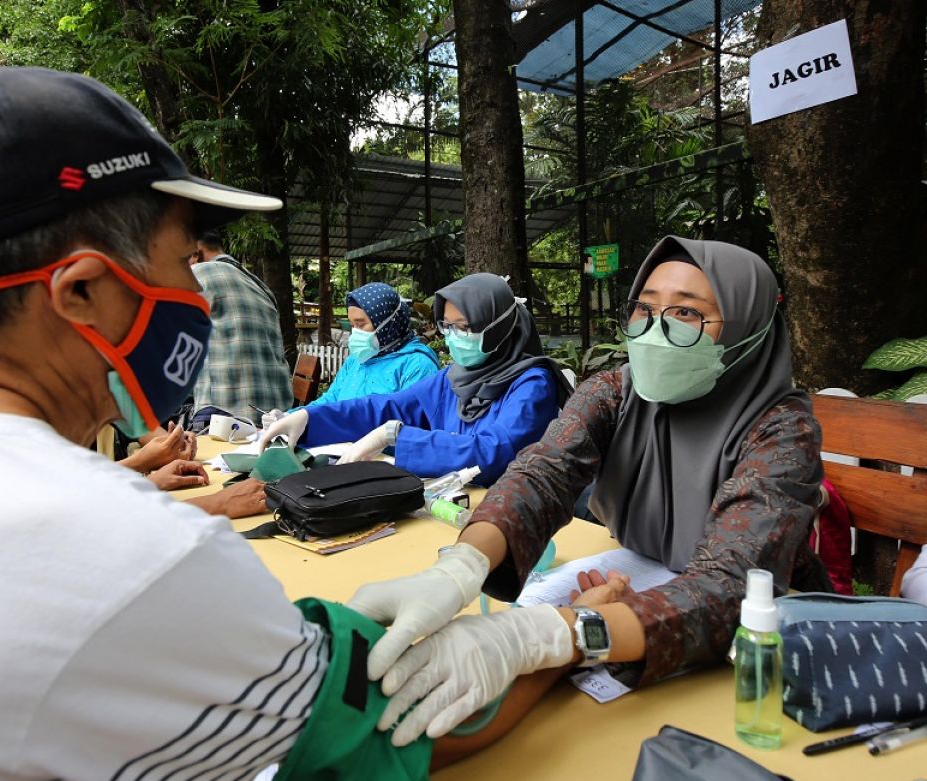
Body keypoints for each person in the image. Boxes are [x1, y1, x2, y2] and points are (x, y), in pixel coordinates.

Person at [0, 66, 435, 781]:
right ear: (81, 291)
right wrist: (539, 638)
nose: (202, 303)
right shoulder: (118, 545)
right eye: (186, 264)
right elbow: (361, 738)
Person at [343, 237, 834, 747]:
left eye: (686, 314)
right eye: (644, 308)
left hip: (763, 659)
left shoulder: (782, 430)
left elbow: (733, 585)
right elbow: (542, 473)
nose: (655, 330)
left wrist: (551, 635)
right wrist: (459, 567)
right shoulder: (617, 392)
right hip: (644, 588)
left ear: (747, 329)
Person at [259, 273, 572, 486]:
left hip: (509, 515)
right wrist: (308, 417)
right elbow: (387, 407)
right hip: (453, 503)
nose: (453, 338)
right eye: (447, 326)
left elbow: (495, 453)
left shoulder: (532, 383)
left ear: (500, 327)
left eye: (464, 327)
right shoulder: (452, 377)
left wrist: (397, 436)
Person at [275, 282, 438, 416]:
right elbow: (331, 399)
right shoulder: (356, 359)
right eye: (352, 325)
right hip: (341, 448)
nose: (355, 332)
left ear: (390, 323)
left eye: (361, 324)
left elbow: (410, 424)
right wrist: (292, 416)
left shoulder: (417, 366)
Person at [191, 228, 292, 423]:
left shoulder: (198, 273)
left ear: (195, 253)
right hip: (276, 417)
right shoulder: (259, 285)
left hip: (224, 420)